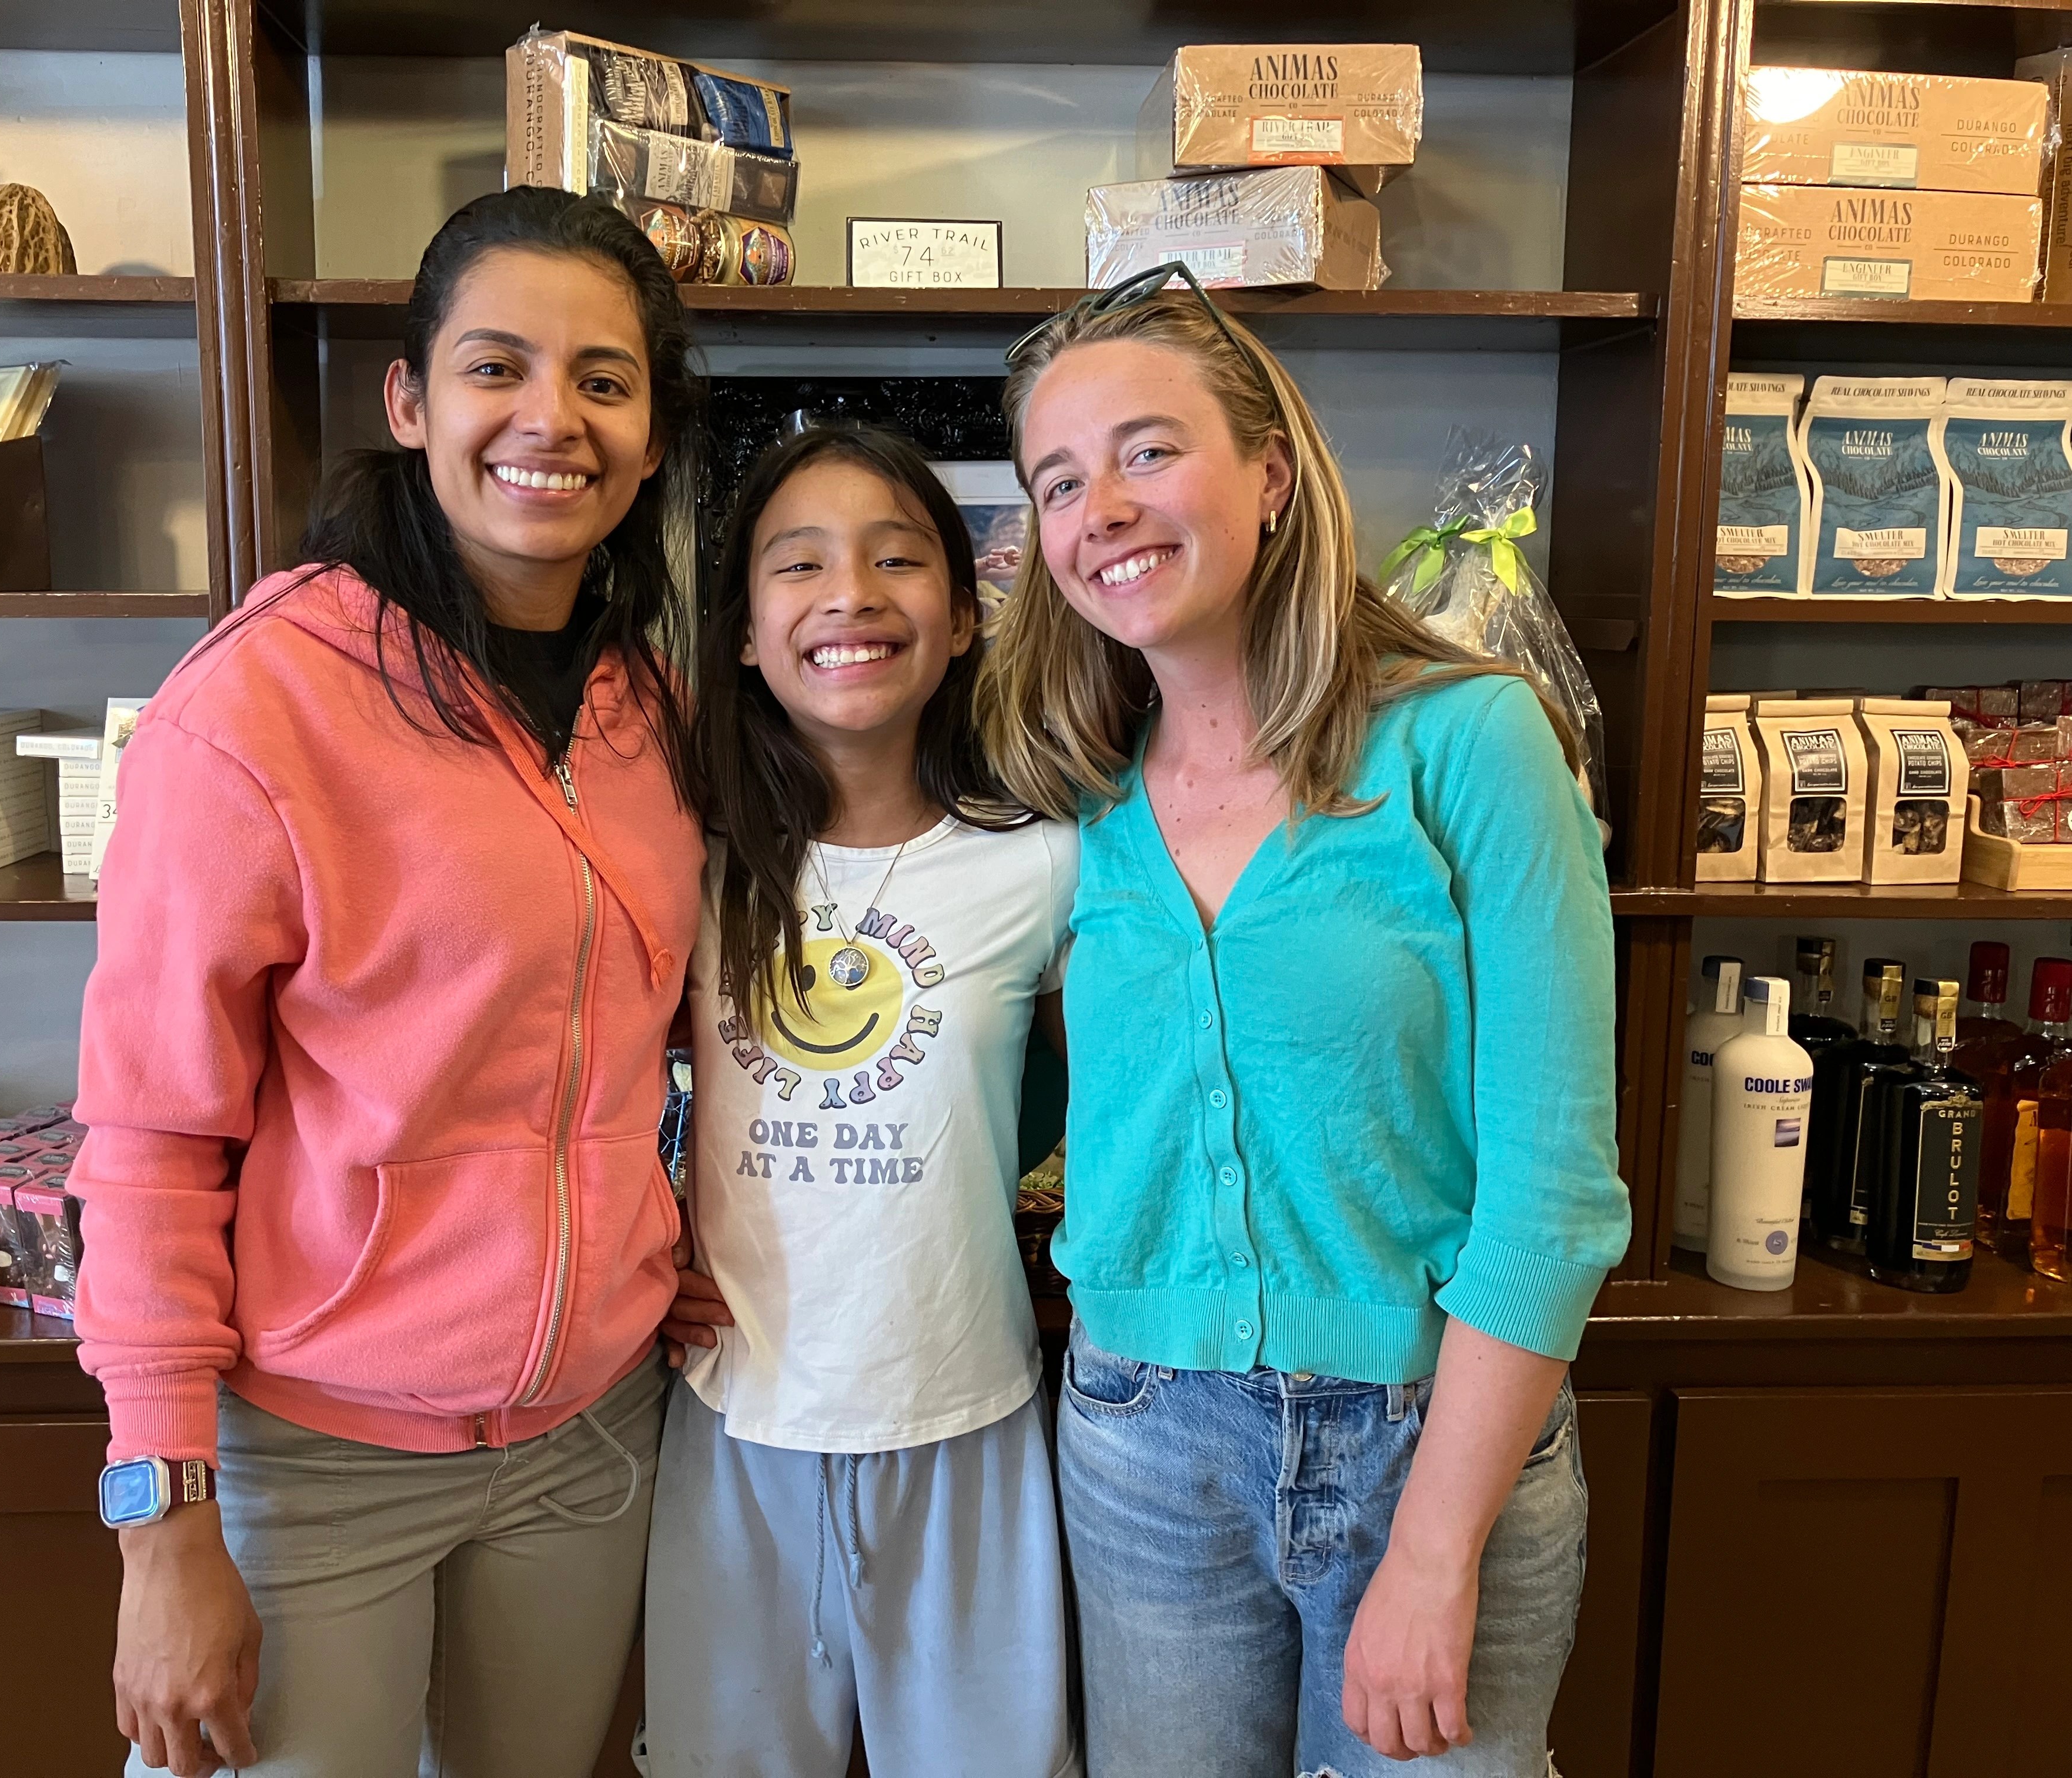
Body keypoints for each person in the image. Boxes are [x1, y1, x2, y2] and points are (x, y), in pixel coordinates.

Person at [72, 187, 706, 1778]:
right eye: (497, 367)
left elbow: (642, 1048)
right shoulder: (262, 706)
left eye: (605, 382)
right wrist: (163, 1530)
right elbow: (150, 1138)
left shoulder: (654, 704)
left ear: (647, 435)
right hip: (313, 1459)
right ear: (411, 402)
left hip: (588, 1440)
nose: (550, 419)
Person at [981, 265, 1631, 1778]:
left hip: (1435, 1438)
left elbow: (1554, 1195)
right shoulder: (1071, 796)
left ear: (1270, 474)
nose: (1105, 510)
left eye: (1150, 450)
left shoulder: (1474, 742)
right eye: (1060, 480)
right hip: (1141, 1448)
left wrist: (1434, 1552)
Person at [646, 423, 1080, 1778]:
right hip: (733, 1430)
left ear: (962, 620)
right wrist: (631, 1252)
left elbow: (1088, 1100)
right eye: (801, 565)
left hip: (968, 1422)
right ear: (744, 633)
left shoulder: (1044, 863)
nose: (852, 595)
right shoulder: (681, 862)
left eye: (898, 559)